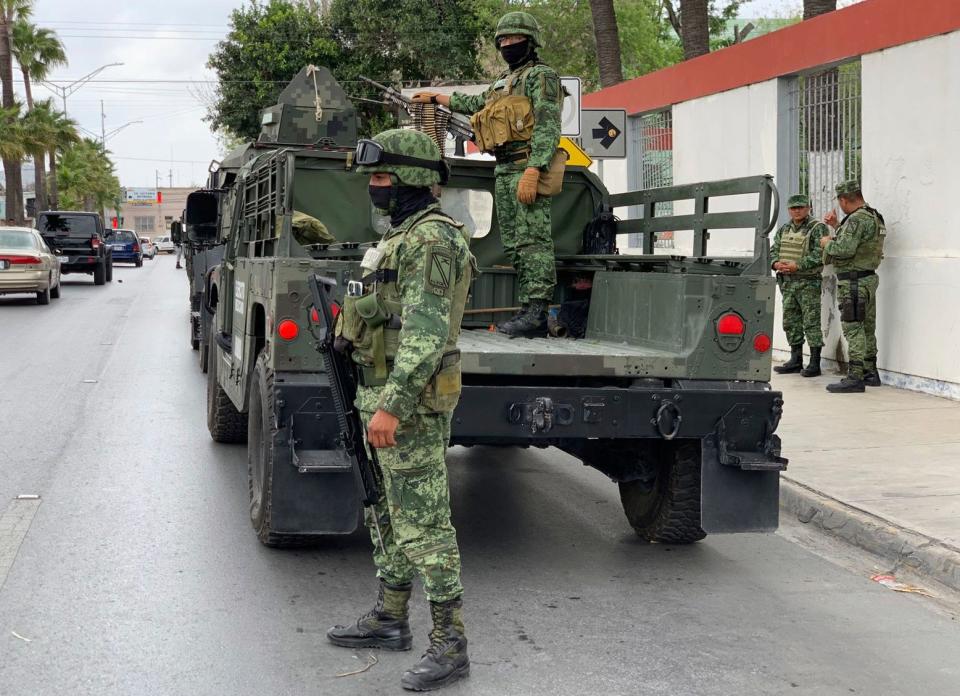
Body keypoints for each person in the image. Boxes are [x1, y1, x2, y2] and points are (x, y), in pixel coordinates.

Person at [326, 129, 474, 691]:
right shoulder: (400, 236)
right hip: (378, 395)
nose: (374, 186)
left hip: (407, 405)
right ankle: (390, 617)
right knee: (383, 510)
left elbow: (426, 336)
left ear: (412, 177)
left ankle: (450, 644)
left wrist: (391, 407)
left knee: (425, 524)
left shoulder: (432, 240)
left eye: (383, 176)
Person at [412, 11, 562, 337]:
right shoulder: (503, 83)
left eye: (513, 39)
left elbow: (549, 127)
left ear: (530, 41)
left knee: (532, 242)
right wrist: (438, 98)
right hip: (505, 168)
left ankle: (537, 311)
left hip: (526, 166)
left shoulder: (541, 77)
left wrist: (534, 170)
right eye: (503, 40)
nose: (507, 45)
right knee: (514, 243)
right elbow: (477, 102)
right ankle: (528, 309)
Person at [820, 180, 885, 393]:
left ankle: (855, 377)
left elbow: (845, 249)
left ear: (844, 199)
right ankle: (870, 372)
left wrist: (827, 242)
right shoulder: (873, 216)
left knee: (853, 327)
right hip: (867, 279)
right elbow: (861, 242)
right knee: (867, 326)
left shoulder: (856, 219)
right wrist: (838, 226)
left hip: (853, 282)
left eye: (840, 202)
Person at [770, 194, 829, 377]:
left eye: (800, 207)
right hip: (787, 283)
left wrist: (798, 265)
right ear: (789, 210)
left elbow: (821, 254)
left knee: (811, 322)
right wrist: (775, 264)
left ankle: (814, 363)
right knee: (791, 322)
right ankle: (795, 360)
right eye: (793, 208)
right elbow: (774, 250)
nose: (797, 211)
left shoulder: (818, 228)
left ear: (808, 208)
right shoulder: (784, 229)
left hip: (807, 283)